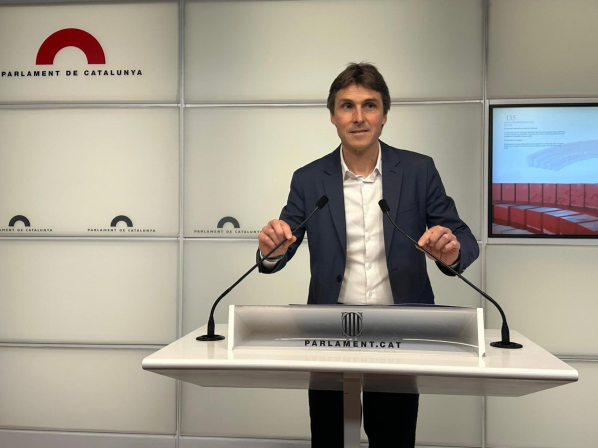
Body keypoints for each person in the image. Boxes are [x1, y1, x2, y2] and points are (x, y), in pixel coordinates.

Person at [257, 63, 479, 448]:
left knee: (393, 439)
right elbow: (281, 243)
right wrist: (271, 251)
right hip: (328, 331)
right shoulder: (308, 179)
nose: (358, 117)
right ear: (333, 116)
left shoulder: (418, 170)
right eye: (347, 106)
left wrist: (451, 250)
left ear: (384, 115)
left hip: (400, 329)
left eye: (369, 105)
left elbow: (463, 238)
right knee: (329, 438)